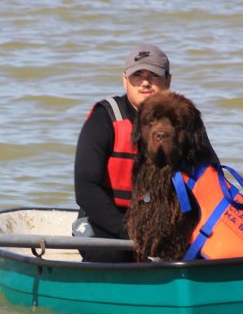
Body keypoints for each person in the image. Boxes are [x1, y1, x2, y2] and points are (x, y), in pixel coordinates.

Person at [73, 44, 174, 262]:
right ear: (125, 81)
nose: (145, 82)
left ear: (168, 80)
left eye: (153, 75)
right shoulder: (104, 118)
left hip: (157, 224)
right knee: (114, 254)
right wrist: (130, 233)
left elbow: (208, 176)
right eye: (137, 75)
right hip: (107, 225)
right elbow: (85, 190)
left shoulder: (182, 122)